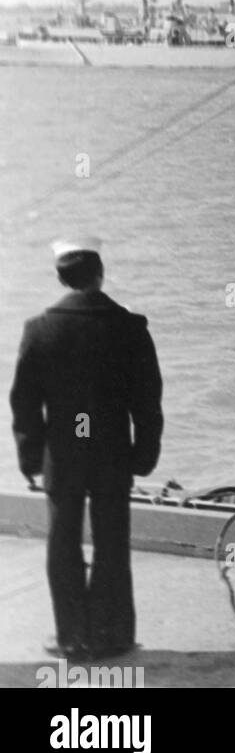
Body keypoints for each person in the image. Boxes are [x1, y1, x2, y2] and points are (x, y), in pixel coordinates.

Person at [9, 238, 164, 660]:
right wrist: (144, 454)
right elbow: (147, 401)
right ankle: (111, 635)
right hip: (112, 451)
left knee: (62, 541)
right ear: (100, 275)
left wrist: (29, 456)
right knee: (112, 539)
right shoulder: (130, 327)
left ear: (61, 277)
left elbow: (23, 400)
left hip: (64, 451)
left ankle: (71, 637)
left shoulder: (39, 328)